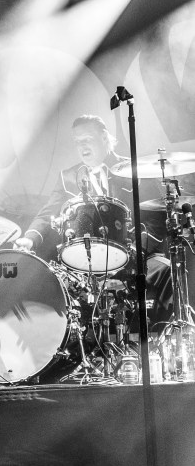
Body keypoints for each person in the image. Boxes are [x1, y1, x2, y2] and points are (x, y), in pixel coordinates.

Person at [15, 114, 173, 323]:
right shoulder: (68, 177)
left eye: (87, 139)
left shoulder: (134, 170)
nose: (82, 146)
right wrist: (30, 238)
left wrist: (137, 251)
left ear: (105, 137)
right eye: (77, 142)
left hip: (135, 256)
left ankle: (157, 335)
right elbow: (48, 212)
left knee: (165, 270)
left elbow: (156, 216)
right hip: (85, 260)